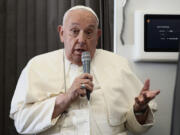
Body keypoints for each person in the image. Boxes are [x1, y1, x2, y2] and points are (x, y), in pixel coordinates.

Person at [10, 5, 160, 135]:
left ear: (98, 35)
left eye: (88, 32)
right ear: (62, 33)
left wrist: (140, 110)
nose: (81, 40)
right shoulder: (37, 66)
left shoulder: (119, 65)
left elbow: (136, 128)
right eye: (74, 31)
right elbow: (21, 123)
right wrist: (66, 98)